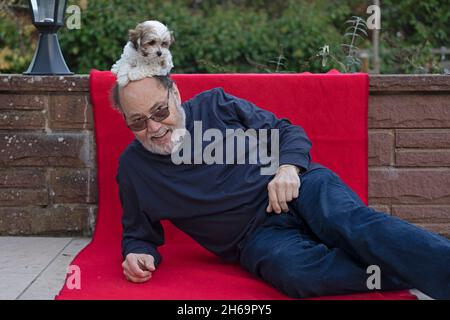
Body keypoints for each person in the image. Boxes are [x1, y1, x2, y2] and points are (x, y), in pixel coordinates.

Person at [112, 75, 450, 299]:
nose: (154, 127)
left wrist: (288, 168)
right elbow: (138, 233)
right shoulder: (133, 169)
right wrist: (136, 253)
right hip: (256, 238)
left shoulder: (216, 104)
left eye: (159, 110)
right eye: (137, 121)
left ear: (175, 94)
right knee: (295, 273)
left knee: (350, 225)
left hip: (299, 186)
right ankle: (410, 266)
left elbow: (287, 131)